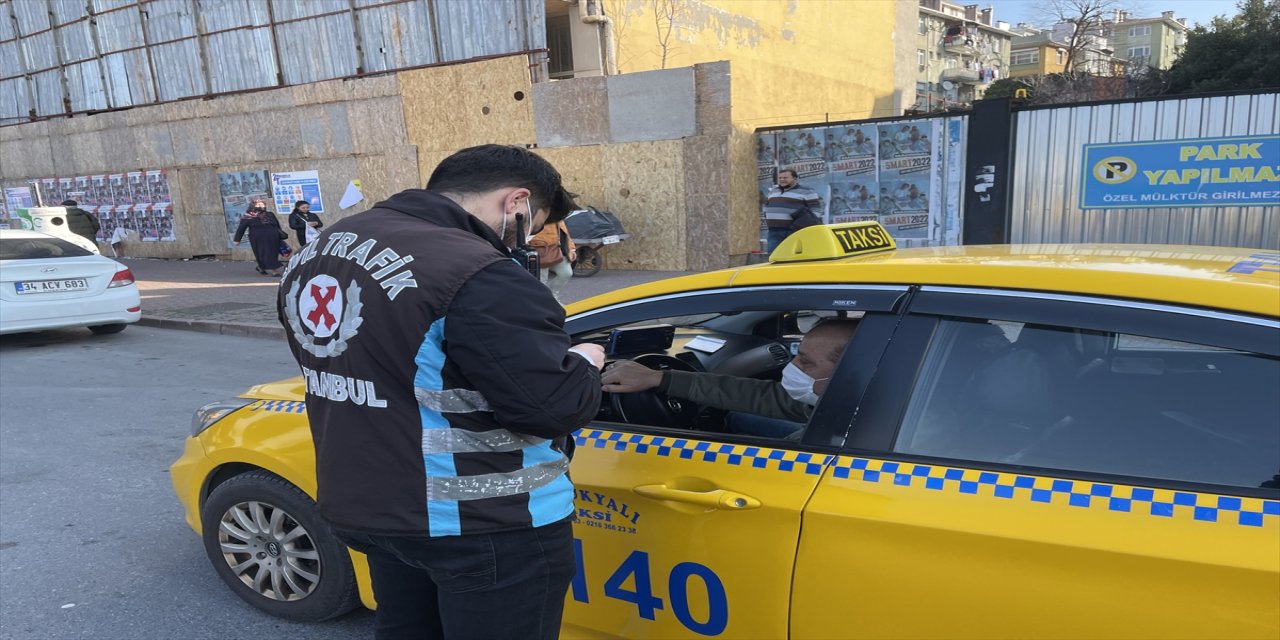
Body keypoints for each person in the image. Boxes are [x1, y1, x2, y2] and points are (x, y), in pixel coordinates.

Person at [276, 144, 604, 640]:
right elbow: (550, 406)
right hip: (483, 522)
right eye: (533, 224)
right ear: (515, 201)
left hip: (372, 507)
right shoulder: (477, 270)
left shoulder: (320, 250)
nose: (529, 241)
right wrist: (584, 362)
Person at [600, 318, 858, 439]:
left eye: (806, 361)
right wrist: (661, 379)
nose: (791, 367)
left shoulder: (818, 441)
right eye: (796, 355)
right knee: (735, 417)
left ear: (848, 373)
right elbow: (767, 397)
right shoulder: (850, 400)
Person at [762, 169, 823, 253]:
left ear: (794, 178)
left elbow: (816, 210)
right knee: (773, 257)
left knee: (791, 257)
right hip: (774, 231)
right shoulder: (774, 191)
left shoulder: (807, 191)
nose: (782, 180)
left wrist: (808, 224)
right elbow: (767, 206)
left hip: (793, 231)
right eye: (780, 178)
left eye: (785, 177)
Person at [233, 198, 285, 276]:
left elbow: (277, 225)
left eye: (262, 204)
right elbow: (241, 228)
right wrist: (237, 239)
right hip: (258, 239)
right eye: (259, 204)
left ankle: (262, 267)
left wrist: (280, 235)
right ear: (253, 205)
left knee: (273, 253)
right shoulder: (248, 216)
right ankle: (274, 270)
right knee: (262, 253)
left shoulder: (270, 214)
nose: (261, 206)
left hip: (273, 237)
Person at [530, 219, 576, 302]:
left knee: (566, 273)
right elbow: (528, 233)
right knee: (542, 279)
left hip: (558, 250)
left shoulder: (558, 216)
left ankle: (552, 293)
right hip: (541, 250)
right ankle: (544, 301)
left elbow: (565, 234)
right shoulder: (537, 214)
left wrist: (572, 249)